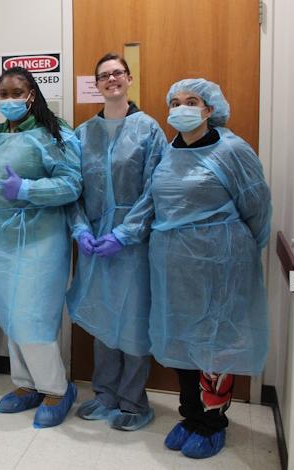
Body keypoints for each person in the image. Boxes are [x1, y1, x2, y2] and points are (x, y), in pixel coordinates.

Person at [151, 79, 271, 459]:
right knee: (184, 339)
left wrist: (236, 252)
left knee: (218, 342)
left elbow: (257, 207)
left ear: (209, 109)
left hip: (222, 262)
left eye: (192, 101)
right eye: (175, 102)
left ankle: (213, 421)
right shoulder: (168, 151)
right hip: (175, 266)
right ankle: (189, 415)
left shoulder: (232, 150)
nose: (181, 107)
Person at [0, 67, 81, 428]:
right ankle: (25, 384)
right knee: (10, 314)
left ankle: (57, 390)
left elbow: (72, 184)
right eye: (3, 93)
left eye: (17, 92)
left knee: (33, 315)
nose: (9, 99)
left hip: (40, 238)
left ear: (32, 94)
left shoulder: (54, 133)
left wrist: (29, 191)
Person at [66, 53, 167, 431]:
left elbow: (155, 189)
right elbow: (72, 189)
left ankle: (133, 401)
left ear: (129, 78)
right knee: (102, 317)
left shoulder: (148, 129)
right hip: (93, 242)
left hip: (134, 244)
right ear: (96, 84)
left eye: (117, 73)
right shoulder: (82, 133)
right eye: (104, 75)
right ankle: (104, 394)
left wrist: (124, 234)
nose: (111, 79)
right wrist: (81, 230)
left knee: (133, 320)